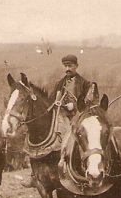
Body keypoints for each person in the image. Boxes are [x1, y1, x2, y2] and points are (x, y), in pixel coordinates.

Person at [20, 54, 92, 188]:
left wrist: (75, 106)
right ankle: (34, 174)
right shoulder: (59, 83)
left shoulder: (85, 84)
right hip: (61, 116)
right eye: (65, 66)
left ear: (76, 66)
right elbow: (51, 100)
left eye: (70, 66)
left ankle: (86, 169)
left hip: (79, 117)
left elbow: (90, 103)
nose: (67, 69)